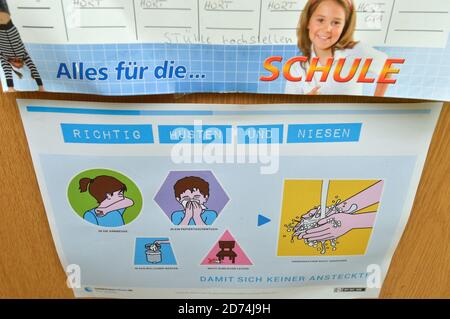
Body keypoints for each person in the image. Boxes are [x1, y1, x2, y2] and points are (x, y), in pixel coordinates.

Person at [285, 0, 389, 96]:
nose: (327, 29)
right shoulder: (296, 67)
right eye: (320, 20)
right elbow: (290, 110)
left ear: (345, 27)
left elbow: (387, 68)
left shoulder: (356, 51)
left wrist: (375, 104)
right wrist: (305, 103)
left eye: (336, 23)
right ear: (308, 21)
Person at [0, 0, 44, 92]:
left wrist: (10, 88)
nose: (19, 66)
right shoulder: (24, 55)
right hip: (9, 25)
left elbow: (7, 72)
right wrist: (41, 87)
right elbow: (33, 69)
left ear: (12, 65)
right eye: (21, 66)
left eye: (17, 67)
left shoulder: (4, 57)